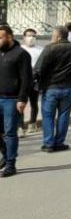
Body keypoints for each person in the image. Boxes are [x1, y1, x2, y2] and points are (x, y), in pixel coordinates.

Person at [34, 26, 71, 153]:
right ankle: (59, 142)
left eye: (53, 35)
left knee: (48, 116)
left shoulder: (50, 48)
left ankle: (48, 143)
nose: (52, 37)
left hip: (52, 87)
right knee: (64, 115)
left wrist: (33, 81)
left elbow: (38, 68)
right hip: (69, 87)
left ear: (57, 36)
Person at [0, 25, 33, 178]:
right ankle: (6, 156)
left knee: (10, 133)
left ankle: (10, 164)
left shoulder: (21, 54)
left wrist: (22, 99)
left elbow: (26, 79)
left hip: (12, 100)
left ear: (9, 37)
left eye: (0, 37)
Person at [19, 28, 43, 136]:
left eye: (33, 36)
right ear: (24, 37)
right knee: (21, 104)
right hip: (22, 81)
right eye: (29, 36)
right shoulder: (20, 50)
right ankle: (20, 126)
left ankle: (32, 123)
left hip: (35, 81)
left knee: (34, 103)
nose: (31, 38)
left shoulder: (40, 50)